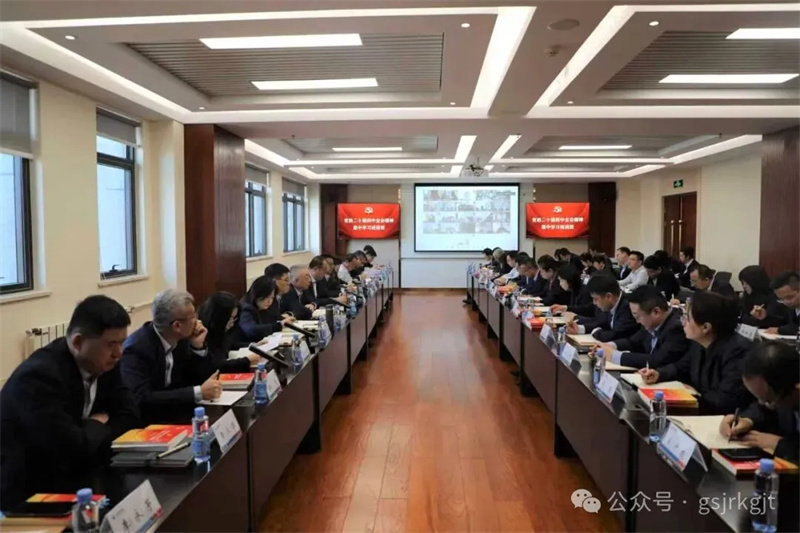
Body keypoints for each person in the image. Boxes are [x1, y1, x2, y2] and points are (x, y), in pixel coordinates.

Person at [0, 295, 139, 507]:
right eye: (111, 344)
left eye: (121, 343)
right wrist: (96, 423)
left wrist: (86, 433)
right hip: (30, 492)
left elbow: (130, 416)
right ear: (78, 342)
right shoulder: (39, 377)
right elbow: (68, 449)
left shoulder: (105, 363)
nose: (119, 353)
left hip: (83, 477)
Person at [640, 291, 753, 415]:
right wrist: (659, 374)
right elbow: (681, 367)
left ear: (705, 327)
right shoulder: (699, 343)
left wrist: (695, 395)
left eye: (687, 319)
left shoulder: (738, 351)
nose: (682, 322)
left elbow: (725, 400)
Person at [121, 290, 221, 413]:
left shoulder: (181, 339)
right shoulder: (136, 349)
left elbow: (203, 380)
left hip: (177, 411)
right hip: (149, 418)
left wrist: (197, 346)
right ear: (177, 326)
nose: (197, 321)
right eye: (193, 316)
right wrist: (197, 393)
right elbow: (141, 398)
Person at [719, 341, 798, 462]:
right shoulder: (779, 393)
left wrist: (778, 444)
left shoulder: (786, 382)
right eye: (758, 398)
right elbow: (762, 409)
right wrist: (747, 420)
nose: (762, 403)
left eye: (768, 400)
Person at [595, 285, 690, 369]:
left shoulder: (678, 327)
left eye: (637, 316)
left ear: (656, 312)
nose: (637, 321)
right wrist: (609, 346)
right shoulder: (651, 323)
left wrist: (614, 356)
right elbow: (633, 342)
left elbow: (658, 361)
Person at [196, 292, 262, 372]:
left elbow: (229, 344)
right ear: (218, 316)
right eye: (230, 318)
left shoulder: (220, 329)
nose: (232, 323)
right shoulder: (202, 333)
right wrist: (246, 361)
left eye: (234, 318)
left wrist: (252, 345)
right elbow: (214, 365)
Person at [568, 273, 639, 342]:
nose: (594, 303)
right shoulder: (611, 304)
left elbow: (616, 335)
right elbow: (602, 323)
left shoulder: (628, 307)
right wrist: (580, 329)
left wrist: (596, 332)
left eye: (596, 299)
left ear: (609, 297)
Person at [238, 276, 295, 342]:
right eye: (267, 297)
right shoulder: (246, 308)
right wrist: (279, 325)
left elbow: (273, 317)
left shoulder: (264, 305)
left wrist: (284, 319)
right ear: (258, 294)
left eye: (272, 298)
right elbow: (252, 330)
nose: (269, 301)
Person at [756, 271, 800, 336]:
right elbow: (782, 323)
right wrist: (765, 316)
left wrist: (780, 330)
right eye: (781, 299)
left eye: (790, 297)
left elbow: (796, 327)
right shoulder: (791, 308)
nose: (787, 302)